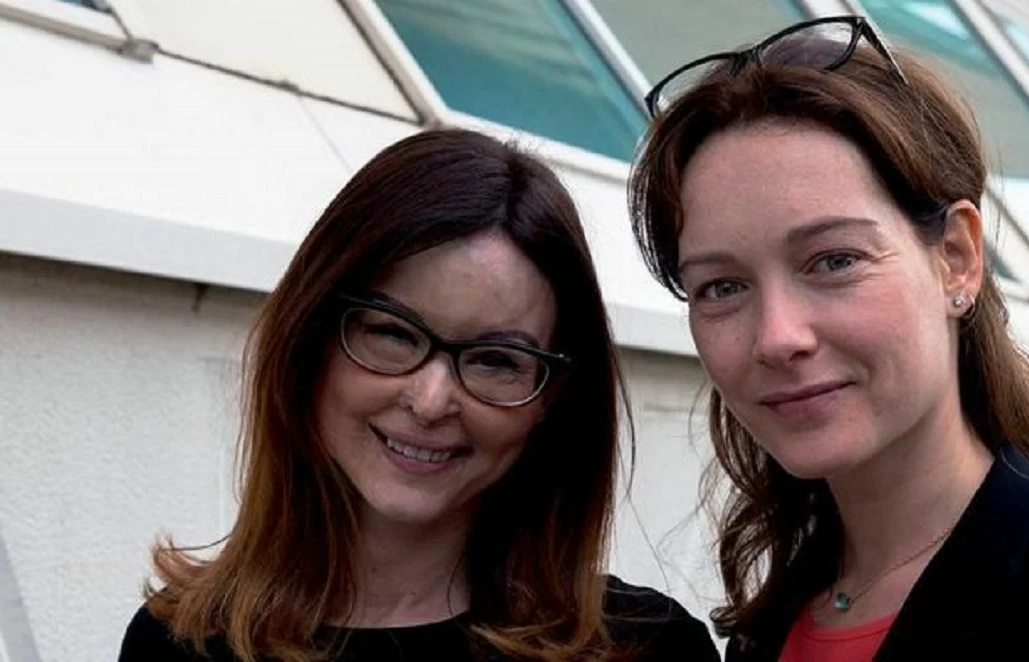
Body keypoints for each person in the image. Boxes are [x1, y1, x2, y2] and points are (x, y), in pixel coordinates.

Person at [629, 15, 1029, 662]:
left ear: (957, 258)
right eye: (721, 287)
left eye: (834, 260)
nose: (777, 337)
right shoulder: (767, 630)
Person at [119, 128, 720, 661]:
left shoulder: (650, 651)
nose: (431, 401)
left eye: (495, 360)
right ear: (310, 340)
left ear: (551, 400)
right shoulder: (177, 644)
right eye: (392, 333)